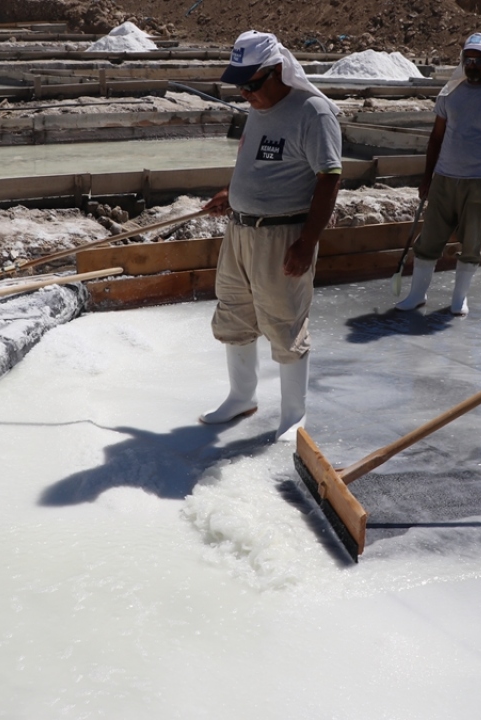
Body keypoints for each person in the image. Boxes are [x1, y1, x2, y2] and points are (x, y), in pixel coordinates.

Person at [199, 30, 343, 442]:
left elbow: (329, 178)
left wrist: (307, 242)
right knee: (235, 314)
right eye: (239, 84)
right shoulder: (259, 106)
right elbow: (258, 163)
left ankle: (294, 414)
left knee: (284, 321)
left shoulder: (312, 112)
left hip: (283, 236)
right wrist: (233, 194)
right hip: (240, 231)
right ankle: (241, 396)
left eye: (252, 83)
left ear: (277, 70)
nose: (245, 93)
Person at [394, 33, 481, 317]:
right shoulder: (449, 94)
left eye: (479, 60)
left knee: (472, 242)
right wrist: (427, 178)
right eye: (468, 59)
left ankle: (459, 298)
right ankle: (417, 294)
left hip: (479, 182)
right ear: (463, 60)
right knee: (428, 241)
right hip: (444, 179)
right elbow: (435, 139)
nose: (472, 64)